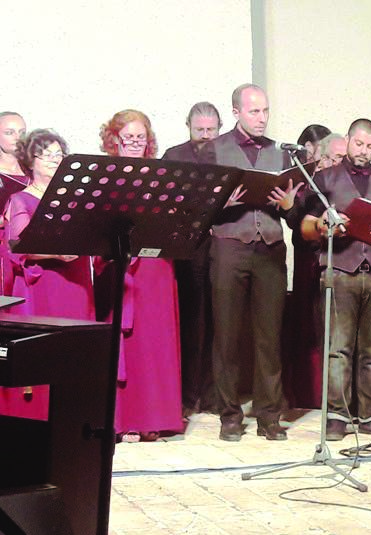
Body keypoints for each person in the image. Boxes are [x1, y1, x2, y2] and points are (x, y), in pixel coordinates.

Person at [204, 84, 303, 442]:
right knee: (227, 335)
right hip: (230, 246)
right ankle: (230, 416)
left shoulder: (281, 152)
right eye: (254, 111)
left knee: (269, 337)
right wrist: (222, 202)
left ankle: (269, 416)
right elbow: (199, 207)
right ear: (236, 112)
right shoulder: (214, 150)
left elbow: (295, 213)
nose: (262, 118)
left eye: (265, 111)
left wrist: (290, 206)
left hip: (271, 248)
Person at [299, 118, 371, 440]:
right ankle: (337, 416)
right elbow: (305, 227)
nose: (364, 151)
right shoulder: (325, 178)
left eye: (370, 146)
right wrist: (322, 226)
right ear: (347, 140)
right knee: (338, 350)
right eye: (359, 144)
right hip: (339, 271)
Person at [96, 109, 183, 441]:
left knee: (153, 343)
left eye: (140, 137)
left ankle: (152, 419)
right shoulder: (103, 176)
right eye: (128, 137)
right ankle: (122, 420)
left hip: (154, 268)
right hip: (119, 265)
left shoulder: (163, 176)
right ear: (114, 139)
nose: (134, 142)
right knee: (125, 344)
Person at [0, 129, 93, 421]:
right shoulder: (21, 199)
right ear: (31, 161)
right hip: (43, 284)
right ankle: (36, 420)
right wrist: (56, 254)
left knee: (76, 348)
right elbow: (18, 246)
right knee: (44, 353)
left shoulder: (75, 198)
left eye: (59, 154)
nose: (54, 159)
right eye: (46, 155)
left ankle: (76, 420)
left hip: (76, 283)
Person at [163, 102, 223, 416]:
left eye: (211, 130)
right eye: (199, 129)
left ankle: (212, 395)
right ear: (188, 126)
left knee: (219, 322)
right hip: (188, 249)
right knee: (190, 321)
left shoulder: (228, 155)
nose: (205, 135)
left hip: (223, 245)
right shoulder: (174, 156)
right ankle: (186, 395)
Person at [283, 124, 335, 409]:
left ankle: (332, 391)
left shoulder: (337, 181)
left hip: (334, 258)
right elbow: (295, 221)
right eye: (314, 153)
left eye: (325, 154)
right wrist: (288, 207)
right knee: (309, 324)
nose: (320, 160)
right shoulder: (302, 182)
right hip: (308, 259)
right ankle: (308, 392)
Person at [0, 112, 29, 296]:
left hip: (29, 249)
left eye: (22, 132)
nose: (17, 137)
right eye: (9, 132)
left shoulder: (33, 170)